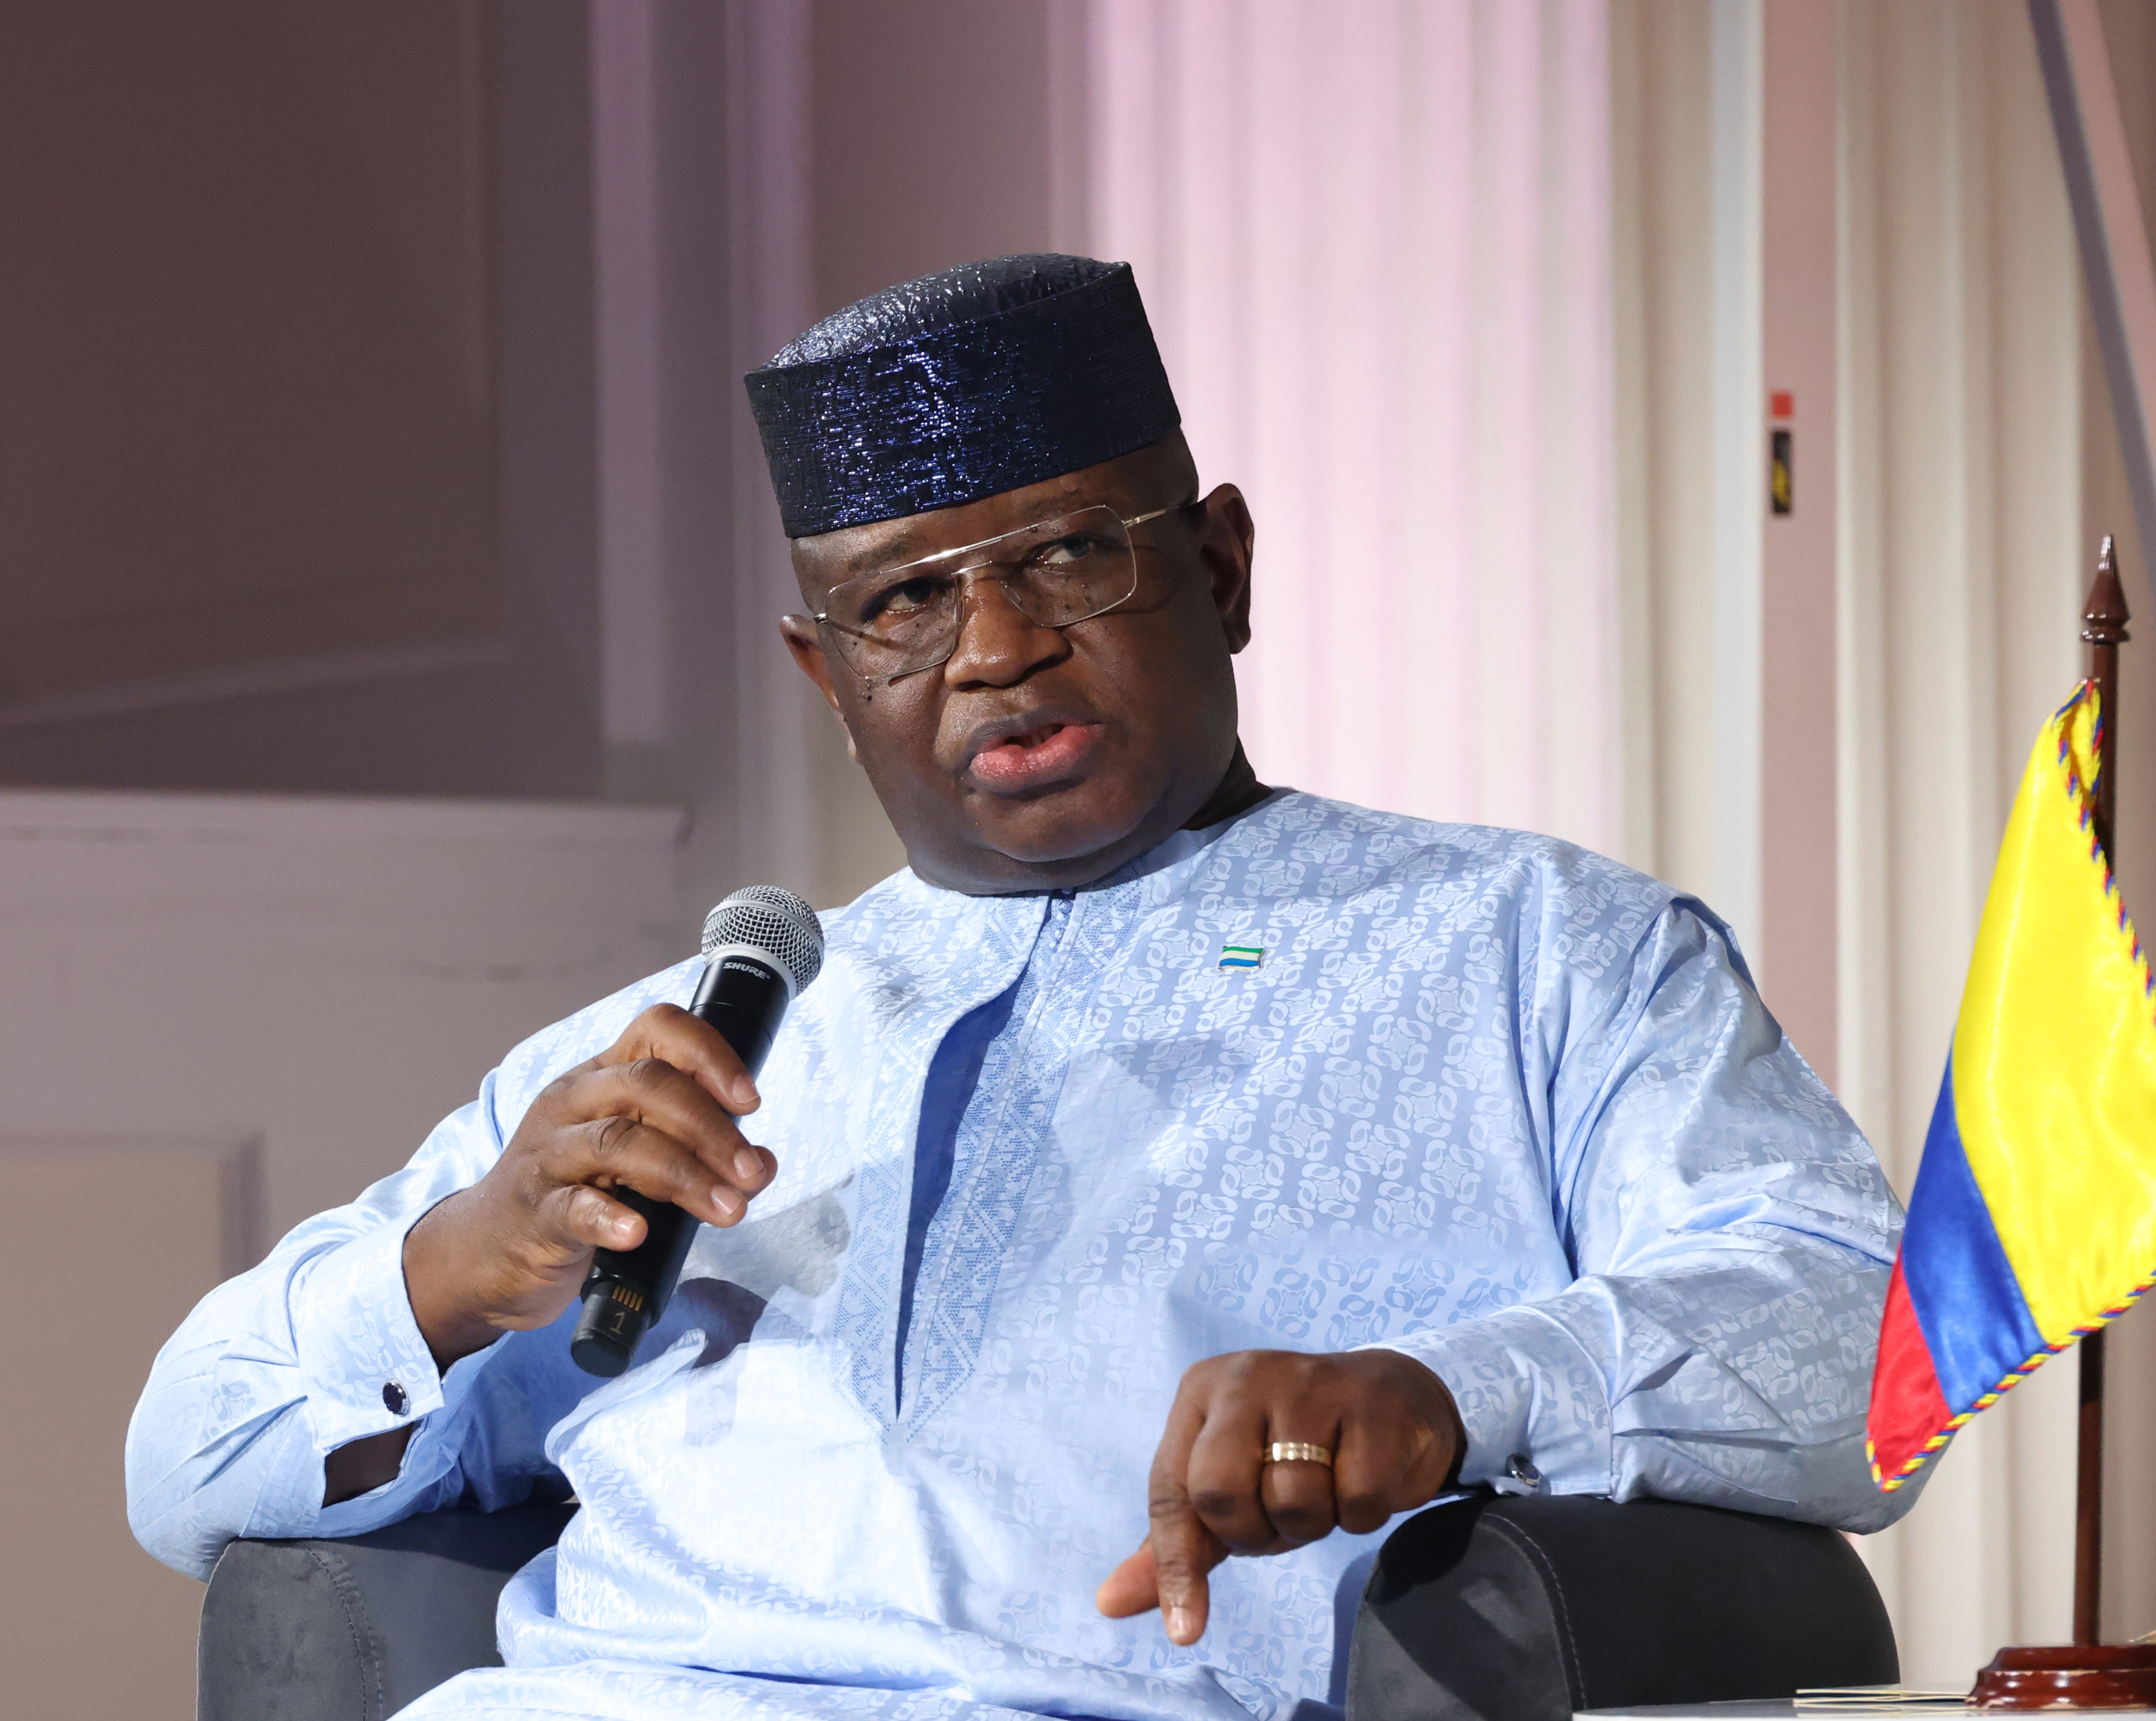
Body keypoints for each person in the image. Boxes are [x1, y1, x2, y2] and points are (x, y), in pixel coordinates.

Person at [127, 255, 1922, 1720]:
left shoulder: (1535, 950)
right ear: (825, 678)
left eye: (1073, 554)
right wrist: (452, 1266)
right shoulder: (684, 1049)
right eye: (902, 603)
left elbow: (1875, 1340)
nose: (995, 648)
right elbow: (183, 1461)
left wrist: (1456, 1386)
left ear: (1219, 568)